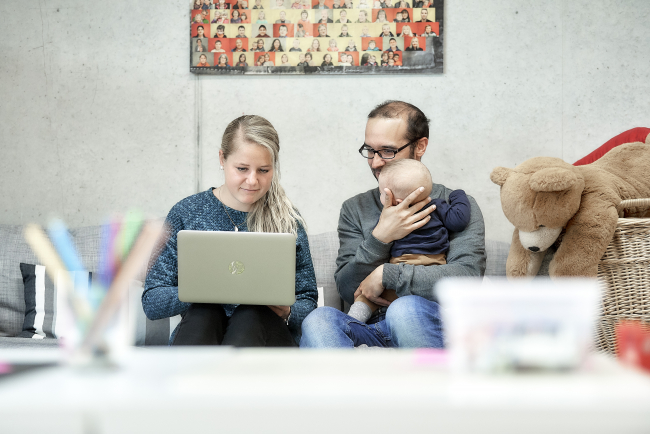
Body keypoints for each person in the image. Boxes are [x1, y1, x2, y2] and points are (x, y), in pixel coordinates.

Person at [299, 101, 486, 349]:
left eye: (387, 151)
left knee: (404, 309)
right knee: (319, 319)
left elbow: (466, 278)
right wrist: (380, 237)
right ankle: (345, 386)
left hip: (432, 323)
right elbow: (347, 288)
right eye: (370, 150)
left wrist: (387, 275)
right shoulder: (356, 208)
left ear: (420, 146)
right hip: (371, 327)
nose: (375, 162)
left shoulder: (454, 205)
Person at [143, 116, 317, 347]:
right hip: (201, 329)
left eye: (264, 170)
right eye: (242, 169)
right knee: (204, 313)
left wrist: (287, 311)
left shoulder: (287, 220)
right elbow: (152, 301)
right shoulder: (187, 212)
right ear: (222, 159)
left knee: (250, 315)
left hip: (266, 335)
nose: (253, 180)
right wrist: (200, 291)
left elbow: (308, 301)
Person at [347, 160, 470, 322]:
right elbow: (459, 221)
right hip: (432, 270)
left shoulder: (388, 217)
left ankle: (352, 325)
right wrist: (458, 195)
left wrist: (381, 233)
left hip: (397, 274)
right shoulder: (437, 206)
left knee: (365, 298)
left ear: (396, 201)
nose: (379, 197)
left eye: (382, 194)